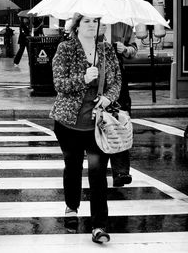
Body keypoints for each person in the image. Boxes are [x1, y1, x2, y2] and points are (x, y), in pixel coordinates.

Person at [50, 14, 121, 244]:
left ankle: (99, 225)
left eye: (95, 21)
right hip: (69, 123)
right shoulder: (66, 48)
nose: (92, 25)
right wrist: (83, 78)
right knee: (72, 167)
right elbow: (59, 83)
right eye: (87, 21)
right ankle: (72, 207)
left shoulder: (107, 49)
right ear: (77, 25)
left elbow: (117, 80)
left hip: (98, 124)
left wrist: (108, 99)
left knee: (98, 173)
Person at [100, 22, 138, 187]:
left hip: (118, 76)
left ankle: (121, 171)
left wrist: (126, 49)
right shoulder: (91, 20)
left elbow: (134, 48)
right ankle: (98, 169)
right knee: (100, 123)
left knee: (119, 121)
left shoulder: (124, 24)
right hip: (97, 77)